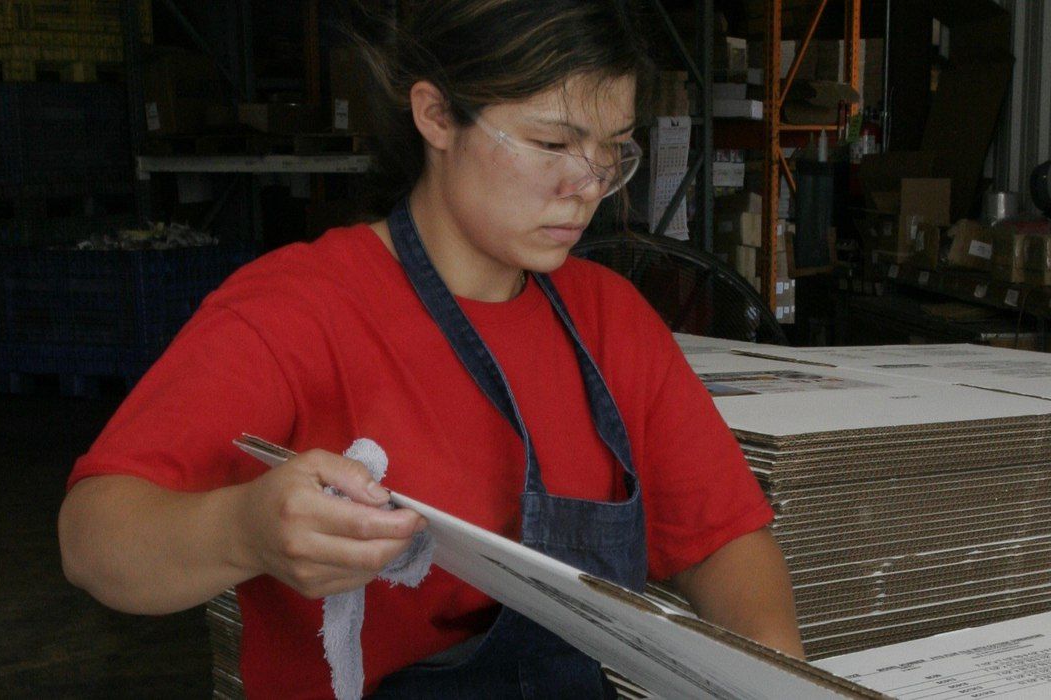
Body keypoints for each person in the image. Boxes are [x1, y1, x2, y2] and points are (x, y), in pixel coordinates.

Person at [58, 0, 803, 696]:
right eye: (552, 143)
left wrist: (778, 679)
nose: (588, 186)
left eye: (613, 151)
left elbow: (723, 543)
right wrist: (241, 529)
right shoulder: (299, 309)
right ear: (437, 115)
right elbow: (94, 541)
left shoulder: (611, 321)